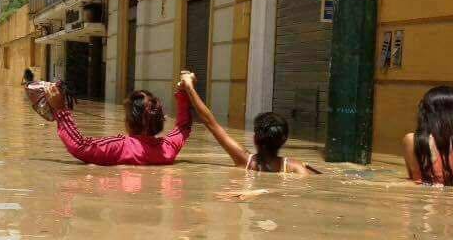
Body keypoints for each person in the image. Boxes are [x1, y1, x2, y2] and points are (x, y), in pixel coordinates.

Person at [178, 71, 312, 175]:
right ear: (284, 140)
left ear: (255, 138)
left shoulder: (245, 160)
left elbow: (210, 123)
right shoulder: (296, 168)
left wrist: (190, 87)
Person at [45, 84, 192, 166]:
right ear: (161, 121)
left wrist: (61, 111)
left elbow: (80, 146)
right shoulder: (167, 149)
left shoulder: (120, 146)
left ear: (128, 121)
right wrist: (184, 94)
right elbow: (183, 127)